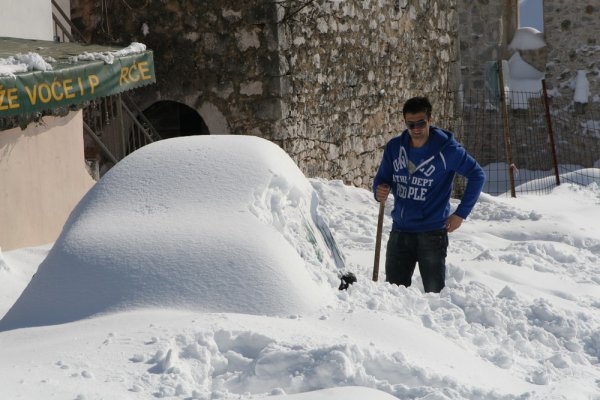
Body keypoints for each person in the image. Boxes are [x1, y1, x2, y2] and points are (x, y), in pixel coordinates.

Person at [372, 96, 485, 293]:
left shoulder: (448, 150)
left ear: (430, 120)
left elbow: (477, 175)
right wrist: (379, 190)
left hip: (431, 234)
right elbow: (382, 178)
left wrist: (460, 214)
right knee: (393, 294)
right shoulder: (395, 147)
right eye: (411, 124)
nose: (416, 129)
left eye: (421, 123)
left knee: (434, 295)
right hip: (400, 232)